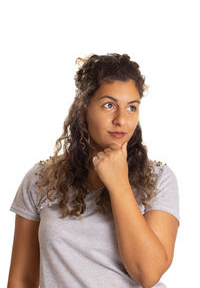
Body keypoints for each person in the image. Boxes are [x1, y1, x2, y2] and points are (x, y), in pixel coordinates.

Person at [7, 53, 180, 288]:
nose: (121, 119)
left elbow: (148, 273)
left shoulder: (158, 178)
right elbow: (22, 279)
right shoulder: (40, 179)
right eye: (109, 105)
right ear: (84, 107)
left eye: (131, 108)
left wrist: (119, 184)